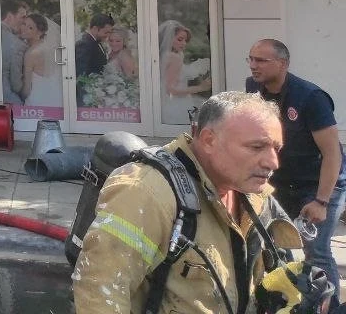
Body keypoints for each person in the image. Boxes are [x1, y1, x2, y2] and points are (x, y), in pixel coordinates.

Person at [72, 91, 302, 314]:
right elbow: (99, 291)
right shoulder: (146, 191)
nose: (273, 162)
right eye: (256, 147)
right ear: (209, 140)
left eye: (276, 148)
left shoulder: (253, 194)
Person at [244, 38, 346, 305]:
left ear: (283, 64)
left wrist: (322, 201)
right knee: (275, 246)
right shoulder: (253, 88)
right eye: (251, 59)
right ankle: (290, 303)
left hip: (321, 182)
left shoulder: (311, 98)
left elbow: (332, 153)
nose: (254, 66)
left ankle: (330, 308)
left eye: (261, 60)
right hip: (281, 180)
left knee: (317, 251)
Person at [160, 20, 210, 125]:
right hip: (176, 104)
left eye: (185, 40)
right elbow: (171, 90)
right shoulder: (174, 57)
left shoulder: (164, 55)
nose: (184, 43)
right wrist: (200, 88)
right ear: (169, 39)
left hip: (164, 103)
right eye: (180, 39)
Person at [17, 13, 60, 108]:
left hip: (37, 101)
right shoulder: (47, 48)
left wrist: (18, 98)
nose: (24, 28)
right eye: (24, 24)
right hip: (52, 98)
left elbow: (27, 89)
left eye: (30, 28)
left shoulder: (32, 53)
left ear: (39, 33)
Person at [0, 0, 29, 105]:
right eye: (23, 17)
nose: (24, 22)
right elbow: (17, 86)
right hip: (8, 99)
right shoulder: (17, 45)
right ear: (10, 16)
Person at [75, 14, 114, 78]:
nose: (108, 35)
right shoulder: (84, 45)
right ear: (95, 29)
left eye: (110, 32)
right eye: (106, 32)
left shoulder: (96, 42)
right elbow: (81, 74)